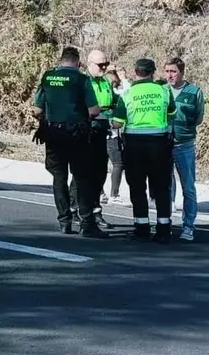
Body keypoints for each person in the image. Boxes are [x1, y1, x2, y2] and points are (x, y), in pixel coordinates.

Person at [32, 46, 108, 238]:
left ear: (62, 59)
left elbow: (37, 109)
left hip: (53, 134)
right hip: (77, 135)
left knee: (59, 178)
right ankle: (86, 223)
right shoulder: (81, 79)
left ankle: (64, 222)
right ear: (77, 62)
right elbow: (93, 110)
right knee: (82, 178)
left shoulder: (48, 77)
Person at [110, 58, 177, 243]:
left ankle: (142, 228)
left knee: (137, 187)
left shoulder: (127, 94)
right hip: (159, 144)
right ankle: (164, 229)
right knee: (161, 187)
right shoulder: (164, 91)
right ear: (153, 73)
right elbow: (172, 114)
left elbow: (117, 123)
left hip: (134, 145)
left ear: (135, 72)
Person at [69, 49, 116, 229]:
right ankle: (74, 209)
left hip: (103, 129)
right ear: (89, 64)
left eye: (106, 64)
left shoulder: (105, 81)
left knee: (100, 172)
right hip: (86, 129)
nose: (104, 68)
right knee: (82, 173)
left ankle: (95, 211)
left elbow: (112, 102)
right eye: (100, 65)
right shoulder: (82, 81)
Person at [163, 57, 203, 242]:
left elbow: (199, 117)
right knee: (165, 185)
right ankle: (165, 222)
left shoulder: (194, 92)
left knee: (188, 187)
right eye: (167, 71)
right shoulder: (161, 90)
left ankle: (188, 225)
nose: (170, 75)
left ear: (181, 72)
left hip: (184, 144)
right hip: (163, 144)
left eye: (173, 71)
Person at [103, 67, 128, 205]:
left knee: (101, 164)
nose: (114, 85)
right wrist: (123, 79)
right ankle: (114, 194)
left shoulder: (102, 93)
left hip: (102, 133)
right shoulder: (114, 97)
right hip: (110, 134)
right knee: (118, 163)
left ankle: (101, 193)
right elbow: (127, 92)